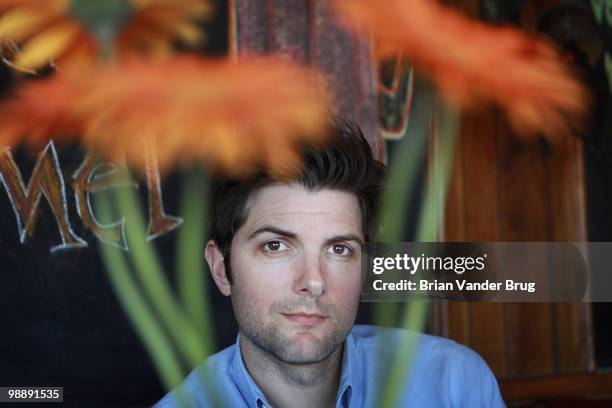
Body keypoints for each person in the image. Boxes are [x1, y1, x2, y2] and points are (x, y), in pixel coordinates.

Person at [154, 121, 505, 407]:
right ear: (220, 269)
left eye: (339, 250)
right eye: (275, 246)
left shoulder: (455, 385)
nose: (314, 281)